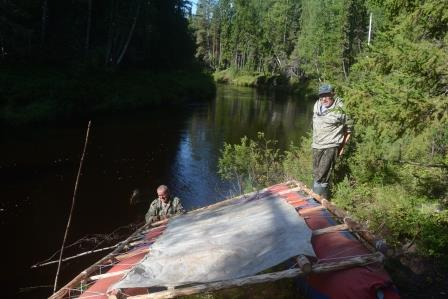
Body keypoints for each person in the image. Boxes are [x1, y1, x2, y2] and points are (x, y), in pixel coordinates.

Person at [312, 83, 352, 199]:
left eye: (326, 95)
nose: (323, 99)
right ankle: (317, 197)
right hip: (316, 145)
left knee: (322, 175)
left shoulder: (341, 109)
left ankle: (318, 202)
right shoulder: (316, 105)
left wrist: (342, 146)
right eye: (321, 96)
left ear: (332, 95)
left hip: (331, 145)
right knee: (316, 174)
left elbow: (348, 130)